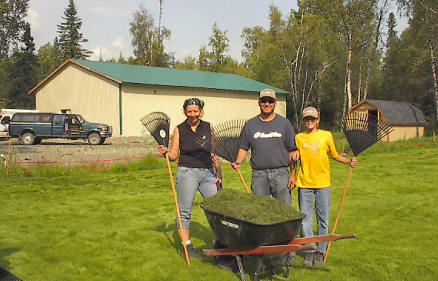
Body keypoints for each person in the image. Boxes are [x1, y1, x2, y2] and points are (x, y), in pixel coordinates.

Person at [293, 106, 358, 267]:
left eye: (312, 119)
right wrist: (293, 166)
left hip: (323, 185)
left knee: (323, 221)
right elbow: (294, 157)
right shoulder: (299, 138)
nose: (309, 121)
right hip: (305, 184)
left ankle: (320, 252)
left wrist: (349, 161)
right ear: (303, 121)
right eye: (306, 119)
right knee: (305, 221)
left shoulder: (326, 136)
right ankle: (309, 251)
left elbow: (334, 155)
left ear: (318, 120)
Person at [158, 98, 222, 259]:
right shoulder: (179, 129)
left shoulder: (208, 127)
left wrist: (218, 172)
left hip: (208, 172)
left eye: (195, 111)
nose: (192, 114)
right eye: (189, 111)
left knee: (217, 209)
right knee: (184, 212)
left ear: (201, 111)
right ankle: (187, 246)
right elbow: (173, 156)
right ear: (185, 112)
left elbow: (214, 153)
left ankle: (218, 244)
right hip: (187, 172)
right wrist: (165, 152)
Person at [232, 89, 297, 205]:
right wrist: (238, 162)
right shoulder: (250, 124)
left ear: (275, 103)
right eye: (264, 101)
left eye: (270, 101)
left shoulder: (285, 124)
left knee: (285, 212)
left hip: (281, 175)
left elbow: (292, 151)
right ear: (259, 102)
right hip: (259, 176)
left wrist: (293, 174)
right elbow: (243, 147)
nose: (267, 104)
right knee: (261, 212)